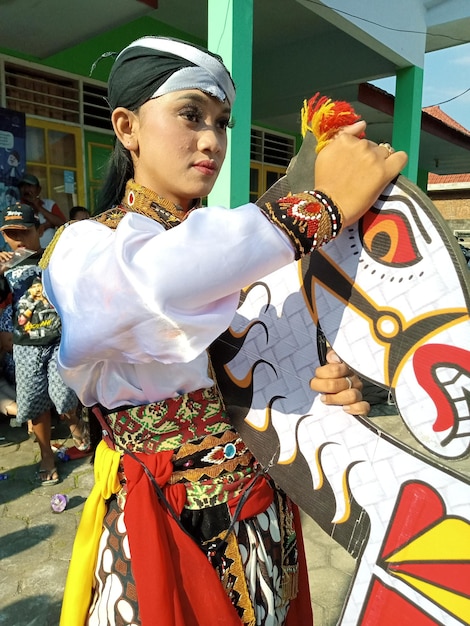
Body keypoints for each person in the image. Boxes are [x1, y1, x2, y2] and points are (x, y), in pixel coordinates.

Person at [41, 36, 407, 626]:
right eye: (190, 115)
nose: (211, 139)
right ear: (127, 126)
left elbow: (274, 373)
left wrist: (326, 389)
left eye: (222, 122)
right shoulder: (89, 248)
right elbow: (147, 293)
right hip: (166, 519)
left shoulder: (243, 249)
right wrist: (322, 204)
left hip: (263, 516)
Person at [0, 203, 89, 485]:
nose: (17, 240)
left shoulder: (53, 259)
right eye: (10, 234)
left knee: (63, 396)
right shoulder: (4, 268)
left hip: (59, 339)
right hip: (26, 346)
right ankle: (45, 455)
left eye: (24, 232)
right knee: (36, 404)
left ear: (39, 231)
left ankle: (74, 421)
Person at [19, 174, 66, 248]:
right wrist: (48, 224)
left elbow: (62, 224)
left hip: (48, 253)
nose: (26, 189)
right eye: (23, 186)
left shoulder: (49, 204)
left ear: (39, 189)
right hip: (25, 254)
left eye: (30, 186)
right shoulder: (17, 206)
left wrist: (38, 206)